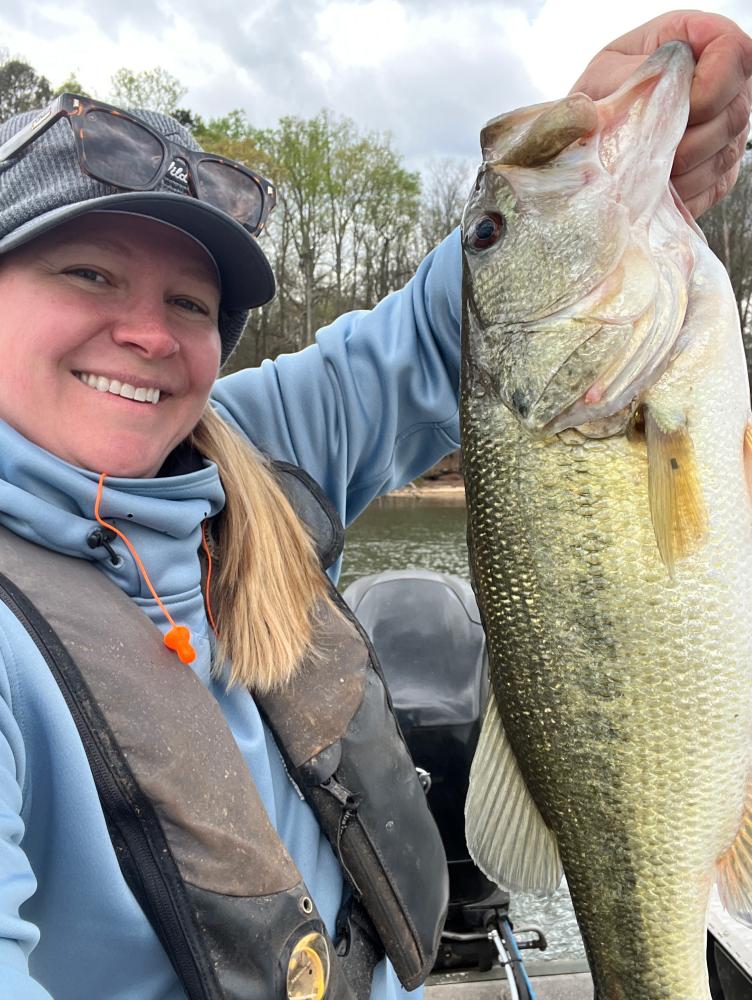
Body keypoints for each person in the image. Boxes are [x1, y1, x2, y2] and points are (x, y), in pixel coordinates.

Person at [0, 10, 749, 1000]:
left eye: (189, 303)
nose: (144, 334)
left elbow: (453, 339)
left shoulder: (238, 459)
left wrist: (593, 143)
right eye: (88, 274)